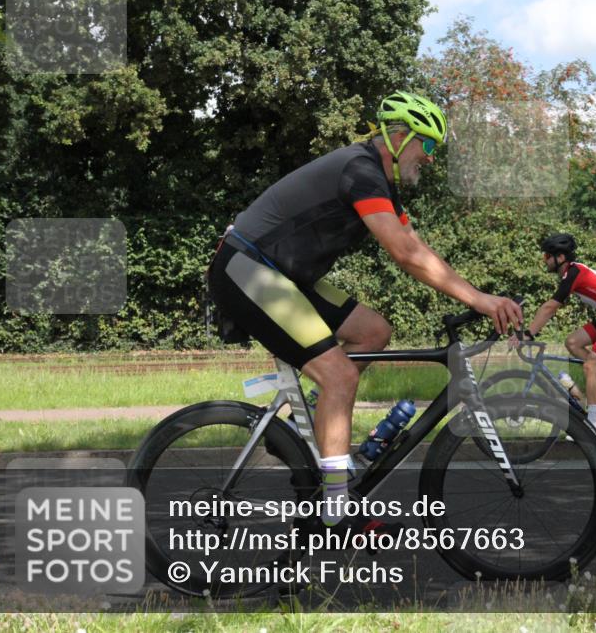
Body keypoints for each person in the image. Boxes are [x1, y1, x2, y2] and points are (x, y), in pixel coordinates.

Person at [208, 91, 523, 534]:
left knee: (373, 331)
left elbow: (418, 248)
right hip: (248, 268)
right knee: (340, 376)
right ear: (399, 137)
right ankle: (335, 512)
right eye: (427, 145)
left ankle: (316, 434)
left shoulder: (380, 183)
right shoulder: (361, 171)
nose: (429, 158)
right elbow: (404, 254)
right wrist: (481, 300)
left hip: (281, 275)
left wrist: (475, 294)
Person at [511, 233, 596, 432]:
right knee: (573, 342)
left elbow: (550, 307)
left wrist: (529, 334)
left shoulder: (574, 273)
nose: (544, 260)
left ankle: (594, 425)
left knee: (591, 366)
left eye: (546, 256)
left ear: (560, 257)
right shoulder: (571, 273)